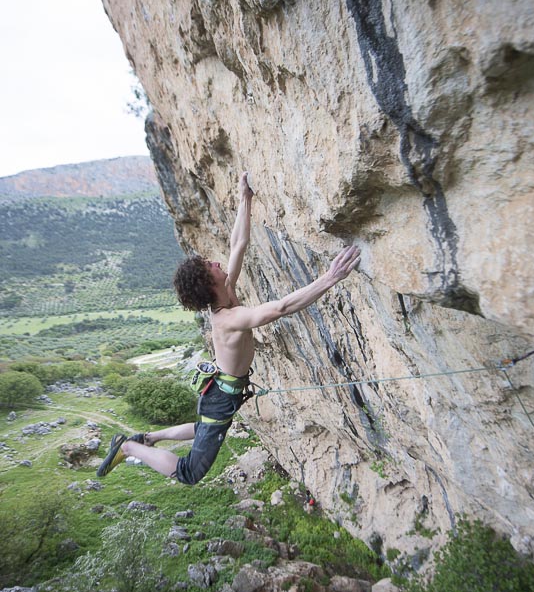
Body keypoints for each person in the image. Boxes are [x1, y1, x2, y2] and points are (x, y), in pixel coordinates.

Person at [97, 172, 360, 485]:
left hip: (220, 390)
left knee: (205, 426)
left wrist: (244, 198)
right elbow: (281, 308)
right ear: (208, 282)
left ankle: (150, 438)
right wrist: (330, 278)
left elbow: (239, 243)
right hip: (221, 395)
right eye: (210, 266)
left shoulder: (226, 292)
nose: (215, 262)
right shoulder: (228, 318)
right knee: (189, 473)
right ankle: (129, 446)